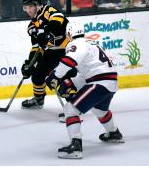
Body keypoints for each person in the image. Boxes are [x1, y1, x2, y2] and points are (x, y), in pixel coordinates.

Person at [46, 22, 124, 159]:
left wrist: (54, 76)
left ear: (69, 33)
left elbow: (69, 61)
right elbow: (87, 73)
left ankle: (75, 146)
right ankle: (114, 133)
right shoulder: (92, 43)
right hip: (110, 82)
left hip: (99, 82)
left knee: (70, 109)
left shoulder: (77, 44)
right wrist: (71, 83)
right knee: (100, 110)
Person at [21, 0, 70, 109]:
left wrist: (47, 31)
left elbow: (59, 18)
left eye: (30, 6)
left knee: (61, 78)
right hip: (51, 52)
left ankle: (74, 105)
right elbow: (36, 47)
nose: (28, 10)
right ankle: (39, 99)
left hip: (67, 50)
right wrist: (30, 63)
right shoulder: (32, 26)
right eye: (25, 7)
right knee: (37, 75)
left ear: (37, 5)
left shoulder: (47, 10)